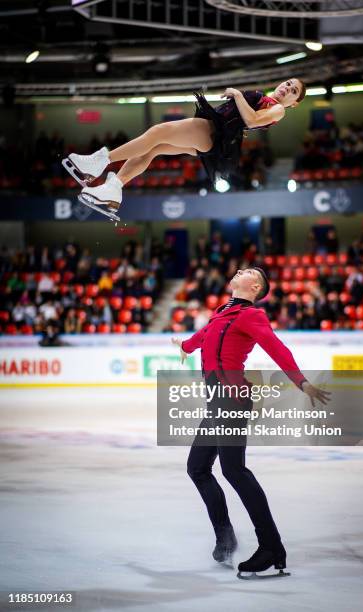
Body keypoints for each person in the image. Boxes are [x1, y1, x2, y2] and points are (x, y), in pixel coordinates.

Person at [172, 267, 330, 578]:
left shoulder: (251, 315)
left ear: (254, 286)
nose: (239, 271)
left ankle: (270, 546)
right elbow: (199, 339)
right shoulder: (222, 314)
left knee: (234, 470)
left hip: (231, 398)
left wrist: (301, 382)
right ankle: (226, 537)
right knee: (198, 468)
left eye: (248, 271)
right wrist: (184, 347)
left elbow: (276, 347)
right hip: (218, 401)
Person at [62, 79, 306, 215]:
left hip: (213, 131)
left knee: (157, 132)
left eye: (293, 91)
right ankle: (113, 189)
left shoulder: (279, 109)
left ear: (294, 103)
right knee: (154, 148)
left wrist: (237, 94)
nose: (287, 88)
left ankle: (98, 163)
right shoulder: (266, 98)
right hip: (214, 135)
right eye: (288, 83)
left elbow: (252, 120)